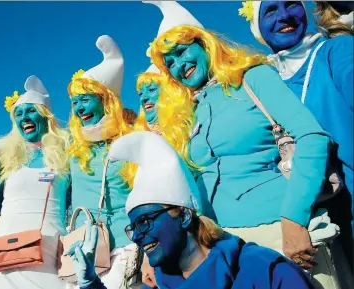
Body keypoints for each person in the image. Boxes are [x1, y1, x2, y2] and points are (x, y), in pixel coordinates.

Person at [145, 1, 338, 288]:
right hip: (226, 246)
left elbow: (311, 137)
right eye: (169, 63)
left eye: (183, 51)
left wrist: (294, 219)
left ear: (205, 44)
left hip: (283, 233)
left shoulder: (252, 78)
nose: (178, 65)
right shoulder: (188, 113)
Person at [66, 131, 316, 289]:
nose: (138, 236)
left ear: (184, 215)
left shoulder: (264, 270)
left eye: (145, 221)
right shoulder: (159, 284)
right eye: (133, 227)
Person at [239, 1, 353, 284]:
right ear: (257, 28)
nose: (284, 16)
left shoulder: (337, 52)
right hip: (321, 223)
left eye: (292, 4)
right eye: (270, 10)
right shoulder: (266, 81)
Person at [0, 75, 70, 289]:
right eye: (18, 113)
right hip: (2, 251)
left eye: (30, 111)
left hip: (48, 248)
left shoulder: (67, 153)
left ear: (45, 114)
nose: (24, 117)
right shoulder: (5, 159)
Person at [66, 35, 141, 289]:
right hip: (82, 254)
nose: (78, 109)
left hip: (127, 248)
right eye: (75, 103)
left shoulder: (134, 139)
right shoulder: (74, 150)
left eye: (85, 99)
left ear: (106, 99)